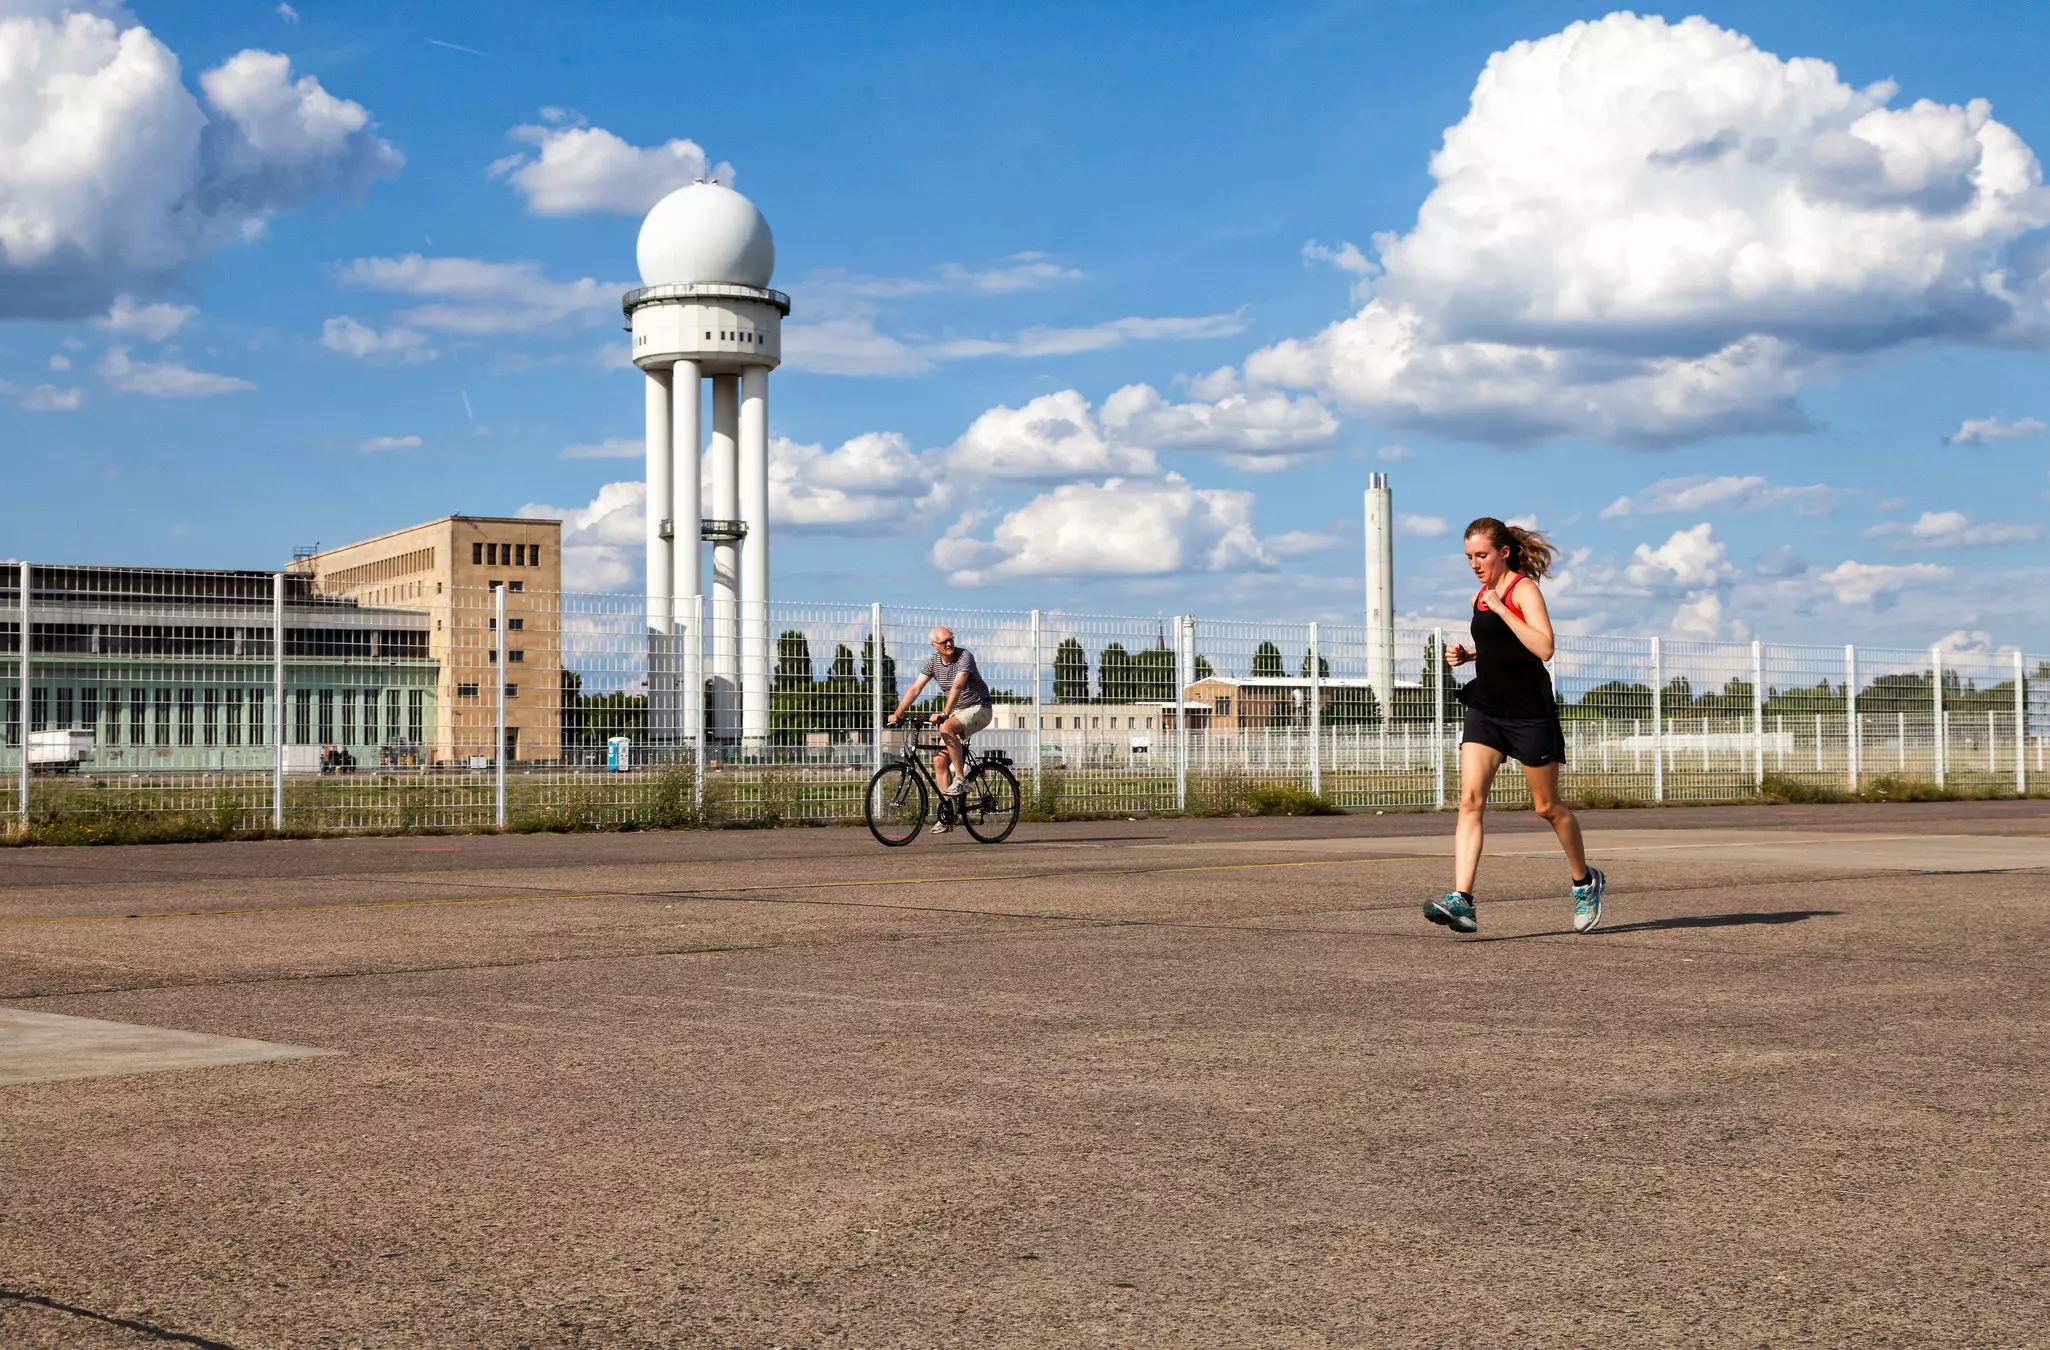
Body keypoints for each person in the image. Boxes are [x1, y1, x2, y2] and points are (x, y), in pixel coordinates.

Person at [1423, 518, 1605, 935]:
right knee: (1469, 800)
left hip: (1528, 714)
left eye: (1481, 555)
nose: (1474, 564)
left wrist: (1503, 608)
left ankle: (1584, 882)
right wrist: (1470, 655)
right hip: (1487, 708)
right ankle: (1462, 901)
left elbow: (1543, 647)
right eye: (1468, 557)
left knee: (1547, 808)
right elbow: (1499, 647)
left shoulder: (1522, 590)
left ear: (1503, 552)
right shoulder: (1479, 595)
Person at [888, 626, 994, 834]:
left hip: (979, 708)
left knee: (946, 727)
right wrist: (898, 713)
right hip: (958, 714)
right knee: (939, 760)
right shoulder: (933, 662)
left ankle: (961, 780)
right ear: (934, 645)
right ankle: (950, 813)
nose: (949, 644)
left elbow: (957, 685)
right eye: (944, 642)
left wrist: (945, 713)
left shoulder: (965, 656)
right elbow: (915, 688)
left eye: (951, 639)